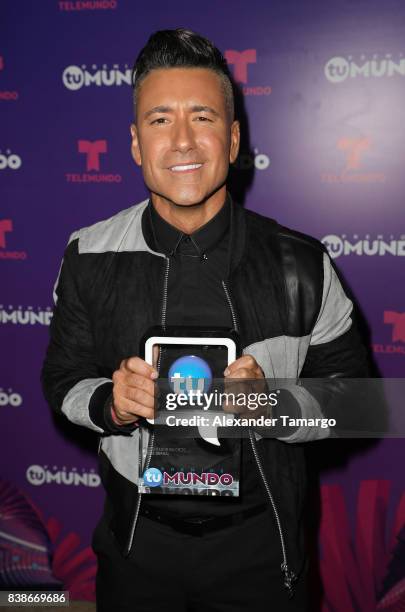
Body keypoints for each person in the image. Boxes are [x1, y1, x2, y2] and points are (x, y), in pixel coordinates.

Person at [41, 28, 369, 612]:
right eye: (161, 120)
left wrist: (273, 404)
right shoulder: (87, 253)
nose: (184, 141)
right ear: (136, 143)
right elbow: (63, 379)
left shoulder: (303, 262)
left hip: (262, 554)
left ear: (235, 137)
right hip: (138, 549)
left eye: (204, 117)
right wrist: (111, 404)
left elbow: (362, 403)